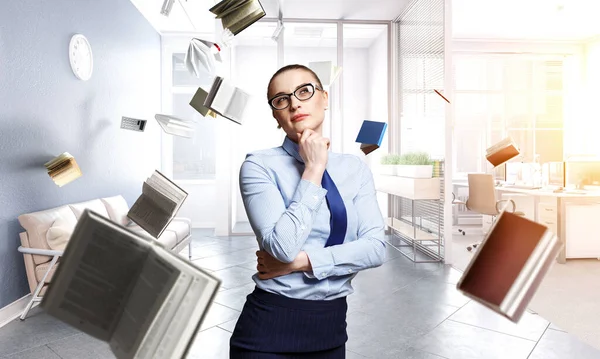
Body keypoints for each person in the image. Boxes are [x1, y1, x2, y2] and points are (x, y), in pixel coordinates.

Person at [229, 64, 387, 358]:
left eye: (304, 91)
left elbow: (376, 249)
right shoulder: (259, 167)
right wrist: (313, 169)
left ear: (324, 98)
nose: (294, 103)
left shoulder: (354, 169)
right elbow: (282, 248)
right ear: (276, 116)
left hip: (332, 331)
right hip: (268, 332)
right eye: (281, 99)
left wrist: (302, 263)